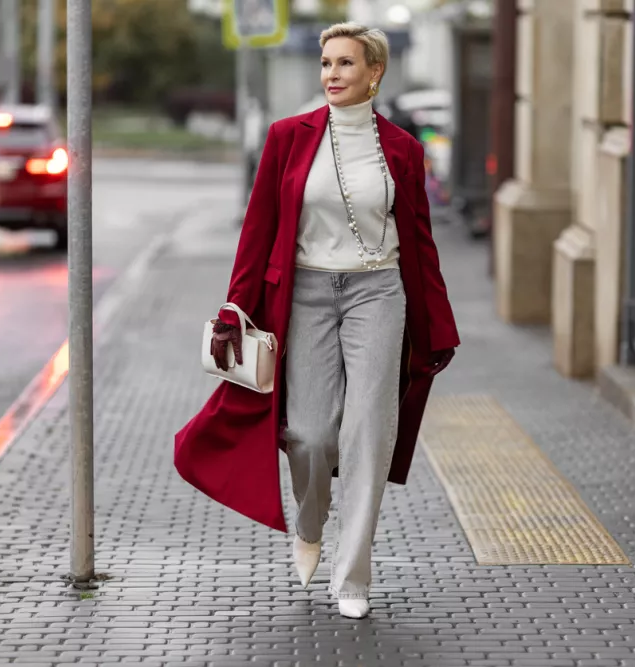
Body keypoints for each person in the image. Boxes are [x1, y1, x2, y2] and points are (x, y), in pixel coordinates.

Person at [173, 23, 459, 619]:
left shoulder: (402, 150)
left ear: (374, 72)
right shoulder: (287, 137)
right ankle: (309, 524)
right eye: (326, 63)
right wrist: (234, 307)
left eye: (345, 64)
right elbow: (257, 231)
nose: (331, 74)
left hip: (378, 293)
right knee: (308, 434)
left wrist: (437, 323)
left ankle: (353, 574)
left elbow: (421, 244)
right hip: (303, 294)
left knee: (368, 434)